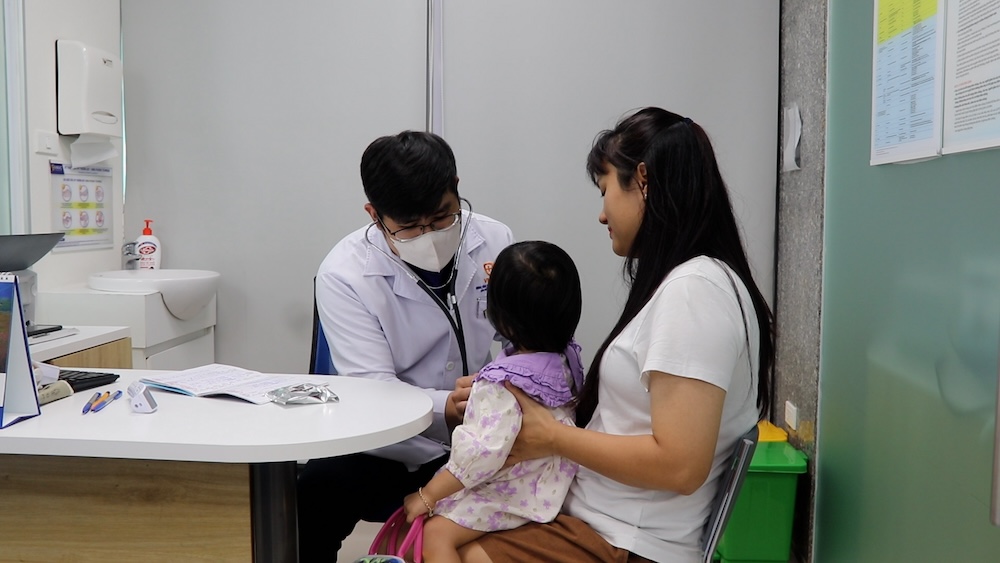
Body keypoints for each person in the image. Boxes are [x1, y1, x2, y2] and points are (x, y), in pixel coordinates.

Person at [458, 107, 775, 563]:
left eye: (605, 189)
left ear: (642, 181)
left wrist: (552, 436)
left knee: (445, 541)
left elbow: (680, 465)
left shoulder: (694, 293)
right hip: (601, 519)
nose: (602, 214)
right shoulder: (693, 282)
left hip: (624, 542)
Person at [298, 130, 515, 562]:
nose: (429, 235)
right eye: (410, 228)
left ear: (456, 186)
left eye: (441, 218)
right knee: (311, 501)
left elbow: (521, 340)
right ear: (374, 214)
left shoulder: (495, 241)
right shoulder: (344, 274)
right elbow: (374, 390)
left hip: (479, 435)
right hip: (385, 446)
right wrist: (447, 409)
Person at [398, 240, 585, 563]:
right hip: (549, 483)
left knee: (434, 534)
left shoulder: (500, 385)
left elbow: (479, 455)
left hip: (512, 492)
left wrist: (427, 496)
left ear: (501, 319)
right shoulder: (568, 358)